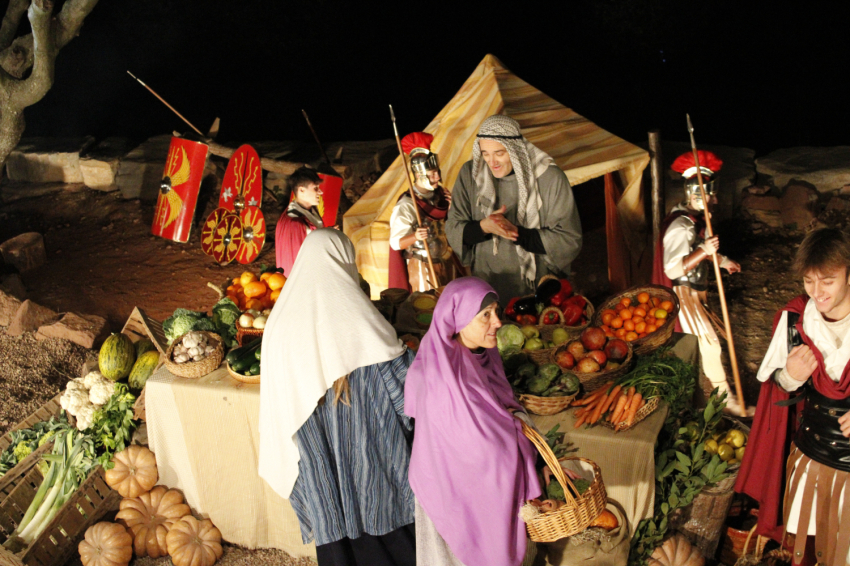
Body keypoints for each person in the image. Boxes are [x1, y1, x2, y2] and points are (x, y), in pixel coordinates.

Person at [259, 229, 416, 566]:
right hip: (375, 471)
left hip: (320, 471)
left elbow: (277, 406)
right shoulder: (360, 319)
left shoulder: (278, 325)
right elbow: (407, 393)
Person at [404, 277, 541, 566]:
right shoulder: (442, 374)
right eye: (485, 315)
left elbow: (500, 408)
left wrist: (514, 423)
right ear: (459, 318)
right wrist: (516, 431)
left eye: (496, 312)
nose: (498, 322)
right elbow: (480, 447)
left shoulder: (483, 354)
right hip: (452, 488)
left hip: (476, 483)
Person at [736, 228, 850, 566]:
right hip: (810, 460)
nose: (817, 292)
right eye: (809, 281)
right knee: (809, 549)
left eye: (827, 281)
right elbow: (775, 387)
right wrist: (789, 376)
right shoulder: (795, 319)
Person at [445, 115, 582, 301]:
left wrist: (518, 233)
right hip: (487, 284)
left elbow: (569, 238)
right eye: (485, 153)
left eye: (499, 153)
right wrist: (484, 227)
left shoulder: (549, 177)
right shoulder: (470, 175)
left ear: (516, 149)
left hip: (540, 285)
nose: (492, 161)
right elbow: (453, 229)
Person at [651, 150, 745, 413]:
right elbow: (672, 268)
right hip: (683, 295)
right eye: (710, 194)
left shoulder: (694, 221)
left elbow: (701, 248)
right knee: (709, 345)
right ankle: (726, 401)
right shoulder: (680, 226)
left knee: (705, 346)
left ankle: (707, 396)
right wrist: (704, 251)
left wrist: (722, 261)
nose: (715, 200)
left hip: (695, 293)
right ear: (695, 194)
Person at [389, 132, 462, 292]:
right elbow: (395, 243)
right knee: (429, 303)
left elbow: (447, 227)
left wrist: (451, 209)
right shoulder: (407, 204)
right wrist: (415, 236)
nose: (437, 177)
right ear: (418, 174)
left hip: (447, 260)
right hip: (423, 264)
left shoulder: (441, 196)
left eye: (437, 171)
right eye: (432, 173)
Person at [275, 166, 325, 276]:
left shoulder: (310, 210)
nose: (320, 192)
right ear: (301, 190)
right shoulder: (294, 223)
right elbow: (297, 263)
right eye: (315, 188)